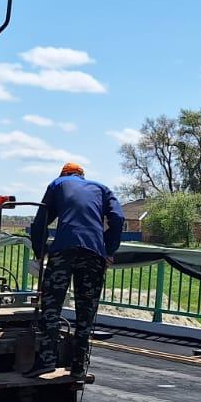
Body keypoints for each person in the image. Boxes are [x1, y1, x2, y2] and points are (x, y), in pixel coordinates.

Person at [27, 162, 124, 380]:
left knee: (51, 307)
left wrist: (40, 249)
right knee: (86, 311)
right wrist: (108, 249)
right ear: (82, 176)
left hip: (64, 250)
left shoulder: (58, 183)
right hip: (94, 253)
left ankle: (46, 361)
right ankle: (79, 366)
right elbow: (118, 218)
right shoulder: (102, 188)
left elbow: (42, 219)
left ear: (64, 174)